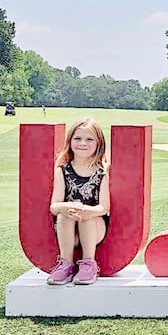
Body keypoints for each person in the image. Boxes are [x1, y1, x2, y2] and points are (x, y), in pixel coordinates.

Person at [47, 117, 110, 285]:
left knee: (85, 216)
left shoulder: (102, 172)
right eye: (78, 138)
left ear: (99, 143)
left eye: (89, 139)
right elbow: (54, 206)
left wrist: (87, 211)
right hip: (69, 232)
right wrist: (68, 207)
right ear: (70, 141)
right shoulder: (63, 171)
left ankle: (89, 263)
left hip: (95, 229)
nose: (83, 143)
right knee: (64, 214)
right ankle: (66, 264)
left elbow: (104, 207)